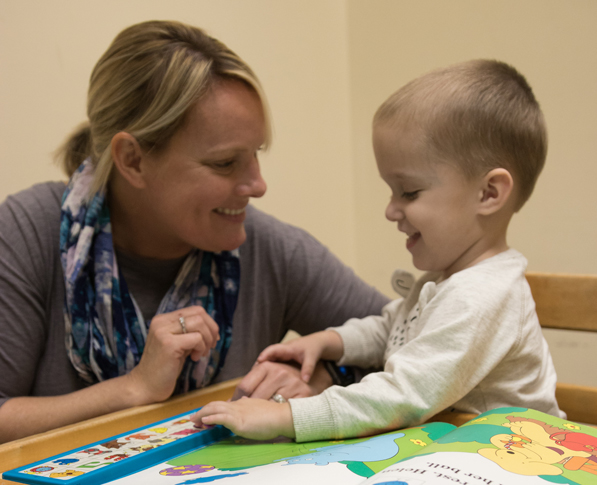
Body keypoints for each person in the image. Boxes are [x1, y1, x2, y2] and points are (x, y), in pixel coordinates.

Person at [0, 20, 388, 443]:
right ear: (132, 160)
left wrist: (319, 376)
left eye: (255, 155)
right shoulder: (26, 231)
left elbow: (413, 340)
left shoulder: (269, 248)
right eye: (224, 163)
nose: (258, 185)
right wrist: (135, 389)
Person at [191, 59, 565, 442]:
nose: (390, 210)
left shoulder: (482, 297)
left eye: (409, 192)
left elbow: (401, 396)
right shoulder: (449, 280)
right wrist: (331, 341)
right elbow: (391, 326)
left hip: (519, 461)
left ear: (488, 194)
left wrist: (287, 416)